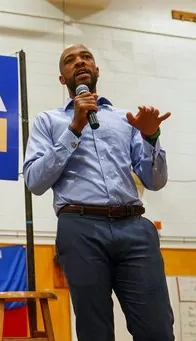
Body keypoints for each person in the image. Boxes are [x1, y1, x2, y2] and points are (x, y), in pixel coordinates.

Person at [23, 44, 175, 341]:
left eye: (86, 57)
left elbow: (155, 181)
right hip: (80, 228)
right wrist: (74, 129)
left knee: (157, 329)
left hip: (134, 227)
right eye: (69, 61)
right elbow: (34, 182)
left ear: (96, 70)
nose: (79, 62)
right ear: (62, 78)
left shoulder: (124, 119)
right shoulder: (48, 121)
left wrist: (151, 136)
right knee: (95, 332)